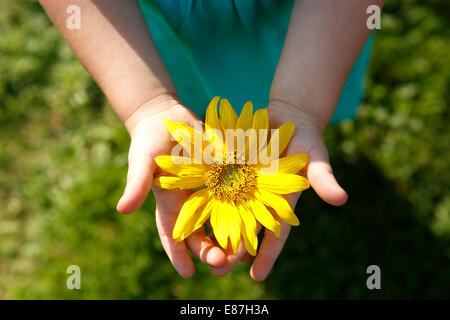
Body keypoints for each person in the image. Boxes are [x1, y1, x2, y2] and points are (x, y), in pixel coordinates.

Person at [40, 0, 384, 281]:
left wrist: (304, 104)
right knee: (193, 82)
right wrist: (146, 101)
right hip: (159, 30)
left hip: (317, 33)